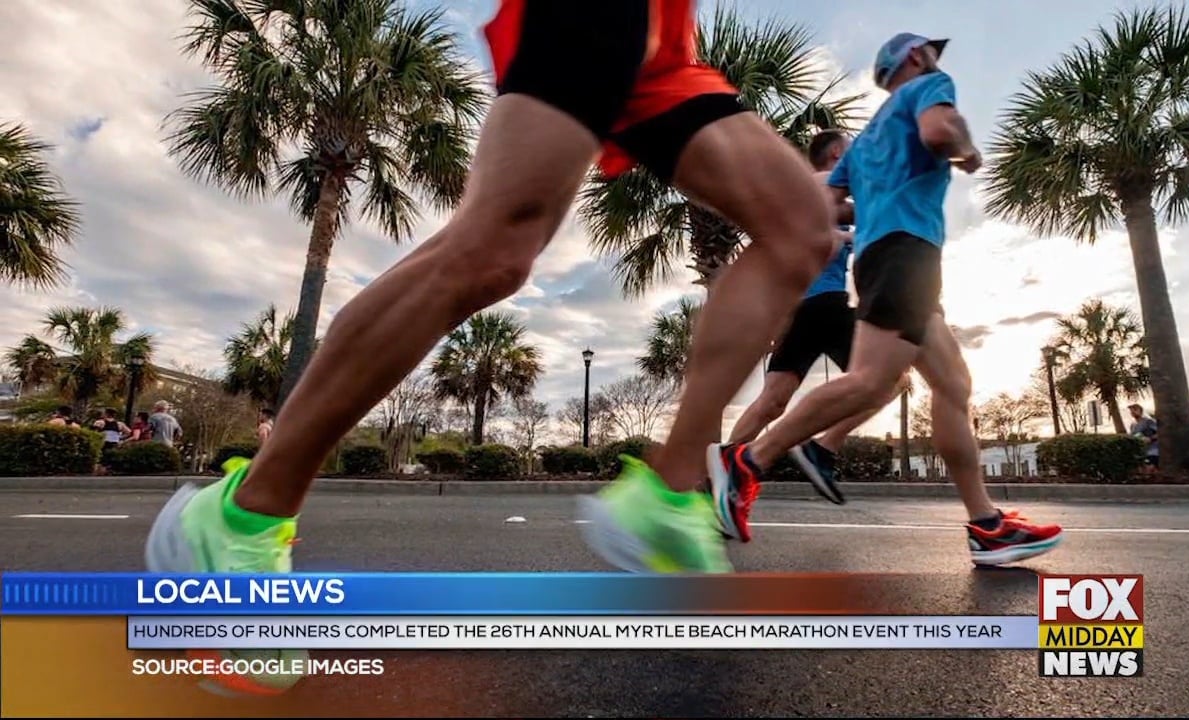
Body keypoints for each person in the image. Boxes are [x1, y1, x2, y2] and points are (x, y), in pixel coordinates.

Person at [145, 0, 838, 689]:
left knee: (800, 226)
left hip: (668, 42)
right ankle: (243, 518)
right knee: (494, 250)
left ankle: (668, 492)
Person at [708, 32, 1063, 566]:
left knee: (952, 384)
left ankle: (986, 524)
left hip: (893, 258)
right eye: (931, 54)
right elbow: (941, 131)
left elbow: (821, 209)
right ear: (916, 58)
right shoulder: (929, 87)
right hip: (905, 253)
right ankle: (748, 462)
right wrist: (967, 151)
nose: (936, 60)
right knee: (871, 381)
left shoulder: (867, 141)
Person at [719, 129, 907, 541]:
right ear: (837, 154)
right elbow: (869, 213)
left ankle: (721, 475)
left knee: (771, 402)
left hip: (803, 310)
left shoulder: (814, 194)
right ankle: (823, 446)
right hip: (825, 306)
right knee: (892, 380)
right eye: (852, 149)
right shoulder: (823, 186)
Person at [1128, 404, 1158, 472]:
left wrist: (1150, 439)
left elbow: (1159, 433)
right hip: (1139, 452)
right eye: (1131, 410)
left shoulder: (1148, 421)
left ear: (1141, 411)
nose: (1133, 412)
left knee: (1149, 469)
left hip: (1152, 451)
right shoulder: (1133, 425)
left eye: (1135, 410)